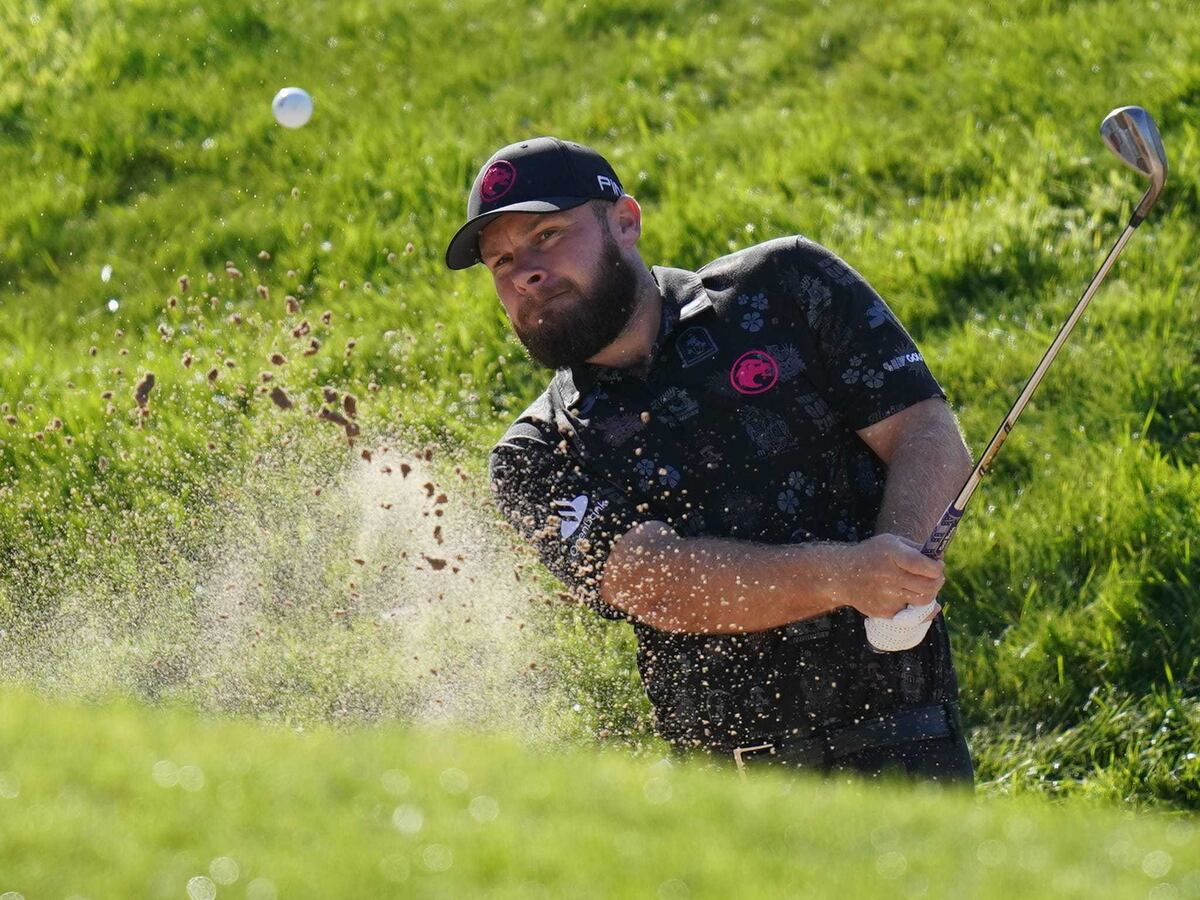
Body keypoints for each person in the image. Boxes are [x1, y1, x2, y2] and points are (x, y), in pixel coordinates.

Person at [444, 137, 976, 784]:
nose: (523, 271)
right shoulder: (536, 455)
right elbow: (655, 584)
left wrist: (898, 554)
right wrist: (848, 577)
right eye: (500, 261)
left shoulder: (786, 287)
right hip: (733, 792)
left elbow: (920, 426)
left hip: (910, 745)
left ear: (626, 221)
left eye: (548, 235)